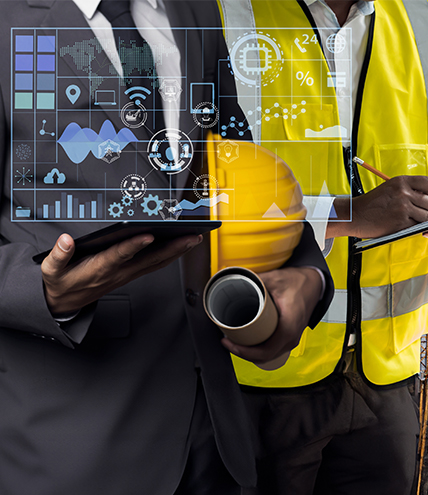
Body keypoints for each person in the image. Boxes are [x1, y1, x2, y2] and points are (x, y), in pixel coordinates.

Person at [0, 1, 333, 494]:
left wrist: (309, 275)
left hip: (217, 443)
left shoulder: (195, 9)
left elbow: (237, 171)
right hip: (70, 451)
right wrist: (42, 293)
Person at [218, 1, 428, 493]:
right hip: (256, 367)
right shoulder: (225, 12)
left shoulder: (424, 26)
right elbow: (183, 188)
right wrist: (345, 215)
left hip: (387, 379)